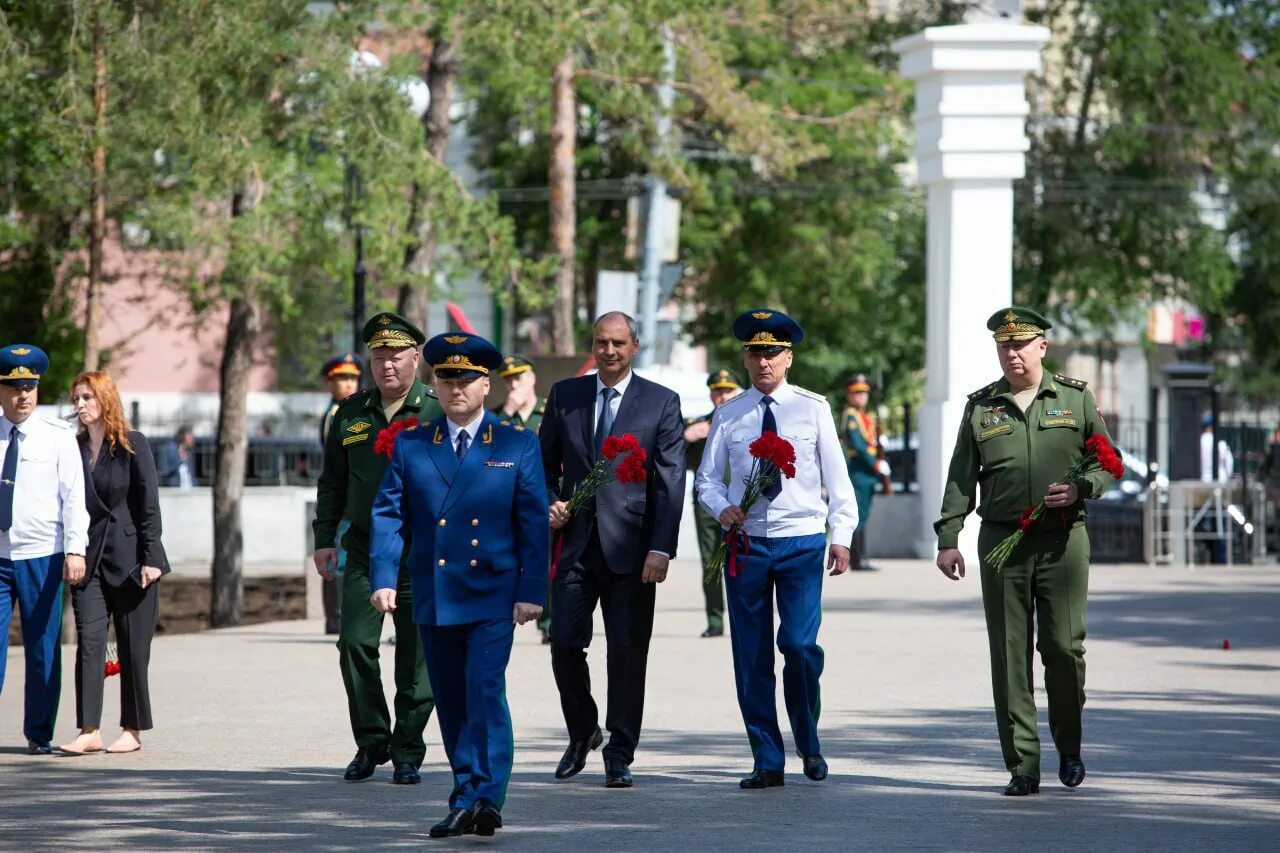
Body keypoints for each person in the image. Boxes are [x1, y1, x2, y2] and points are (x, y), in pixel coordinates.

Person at [371, 332, 549, 838]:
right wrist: (384, 576)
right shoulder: (411, 444)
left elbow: (532, 521)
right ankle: (465, 793)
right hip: (436, 592)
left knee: (484, 690)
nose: (456, 388)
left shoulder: (517, 444)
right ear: (436, 383)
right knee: (450, 699)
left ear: (485, 384)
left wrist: (532, 588)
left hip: (493, 593)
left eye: (466, 378)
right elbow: (388, 512)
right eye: (447, 378)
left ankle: (487, 797)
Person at [934, 306, 1114, 797]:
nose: (1012, 353)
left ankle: (1070, 747)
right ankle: (1023, 765)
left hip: (1062, 540)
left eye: (1021, 344)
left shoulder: (1075, 399)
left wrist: (1082, 491)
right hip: (1002, 543)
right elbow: (959, 477)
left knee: (1062, 649)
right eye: (1004, 346)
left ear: (1042, 347)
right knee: (1010, 654)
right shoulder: (982, 407)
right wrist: (949, 538)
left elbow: (1106, 462)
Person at [695, 309, 856, 789]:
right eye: (754, 352)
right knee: (751, 655)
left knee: (800, 647)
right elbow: (706, 480)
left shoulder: (813, 408)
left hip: (801, 541)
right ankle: (767, 758)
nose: (763, 361)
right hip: (745, 545)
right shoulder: (729, 414)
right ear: (745, 359)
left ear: (788, 357)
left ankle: (808, 740)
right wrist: (723, 508)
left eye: (772, 352)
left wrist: (841, 535)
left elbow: (837, 479)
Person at [540, 311, 686, 788]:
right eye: (601, 342)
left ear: (635, 346)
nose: (609, 351)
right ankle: (583, 731)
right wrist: (550, 503)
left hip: (633, 551)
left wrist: (661, 548)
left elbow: (669, 482)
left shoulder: (660, 403)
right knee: (563, 643)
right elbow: (540, 466)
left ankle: (619, 752)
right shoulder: (566, 395)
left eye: (618, 343)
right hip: (575, 546)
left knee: (627, 653)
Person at [313, 312, 443, 785]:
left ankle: (408, 747)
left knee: (416, 656)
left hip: (420, 554)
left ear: (415, 358)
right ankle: (371, 741)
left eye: (396, 355)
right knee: (355, 644)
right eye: (379, 355)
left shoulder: (435, 411)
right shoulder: (351, 412)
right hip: (365, 550)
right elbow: (332, 482)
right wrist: (324, 539)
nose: (387, 364)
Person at [60, 371, 169, 756]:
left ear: (105, 399)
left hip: (132, 564)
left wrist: (152, 558)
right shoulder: (70, 449)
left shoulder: (132, 444)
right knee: (90, 643)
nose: (80, 405)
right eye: (76, 399)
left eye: (87, 397)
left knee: (132, 650)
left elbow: (149, 505)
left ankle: (132, 728)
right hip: (88, 564)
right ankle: (89, 729)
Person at [0, 344, 89, 755]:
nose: (24, 396)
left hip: (43, 554)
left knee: (42, 649)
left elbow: (74, 497)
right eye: (15, 387)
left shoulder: (57, 436)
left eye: (30, 388)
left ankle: (39, 735)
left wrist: (76, 549)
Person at [490, 354, 551, 642]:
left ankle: (549, 621)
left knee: (547, 556)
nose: (514, 384)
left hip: (544, 498)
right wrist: (507, 411)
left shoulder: (549, 412)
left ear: (533, 378)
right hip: (503, 502)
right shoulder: (497, 417)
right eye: (508, 379)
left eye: (519, 377)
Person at [684, 367, 744, 638]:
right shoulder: (700, 425)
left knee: (744, 563)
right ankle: (715, 618)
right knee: (711, 563)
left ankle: (743, 617)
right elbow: (673, 459)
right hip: (709, 507)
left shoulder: (748, 421)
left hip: (743, 505)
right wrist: (686, 438)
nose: (722, 396)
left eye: (728, 390)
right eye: (717, 391)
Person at [319, 353, 364, 636]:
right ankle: (339, 617)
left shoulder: (355, 411)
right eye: (341, 379)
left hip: (352, 497)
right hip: (346, 498)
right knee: (341, 556)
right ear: (330, 383)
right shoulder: (337, 415)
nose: (347, 384)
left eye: (352, 378)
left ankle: (338, 618)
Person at [842, 373, 889, 572]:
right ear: (849, 395)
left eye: (864, 393)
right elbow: (859, 447)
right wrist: (876, 464)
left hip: (868, 472)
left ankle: (860, 558)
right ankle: (857, 560)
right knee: (858, 515)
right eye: (857, 393)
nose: (861, 397)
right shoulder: (851, 416)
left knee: (864, 514)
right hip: (860, 470)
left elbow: (871, 441)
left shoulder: (865, 416)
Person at [1199, 414, 1234, 484]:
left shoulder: (1198, 443)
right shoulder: (1221, 444)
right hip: (1220, 481)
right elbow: (1229, 463)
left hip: (1202, 480)